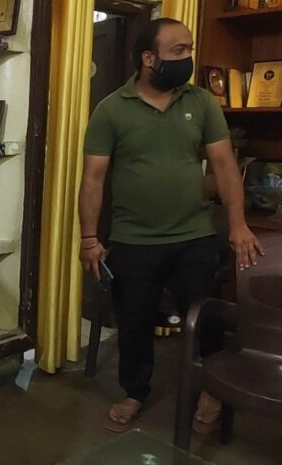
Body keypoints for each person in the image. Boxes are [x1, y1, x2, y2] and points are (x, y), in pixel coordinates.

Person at [78, 18, 265, 433]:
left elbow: (224, 165)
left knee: (204, 318)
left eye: (189, 49)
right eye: (179, 51)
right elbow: (93, 178)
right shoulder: (111, 109)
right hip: (133, 239)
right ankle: (134, 391)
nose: (188, 58)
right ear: (149, 58)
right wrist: (89, 239)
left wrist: (238, 224)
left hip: (194, 236)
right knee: (134, 321)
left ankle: (211, 388)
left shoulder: (201, 102)